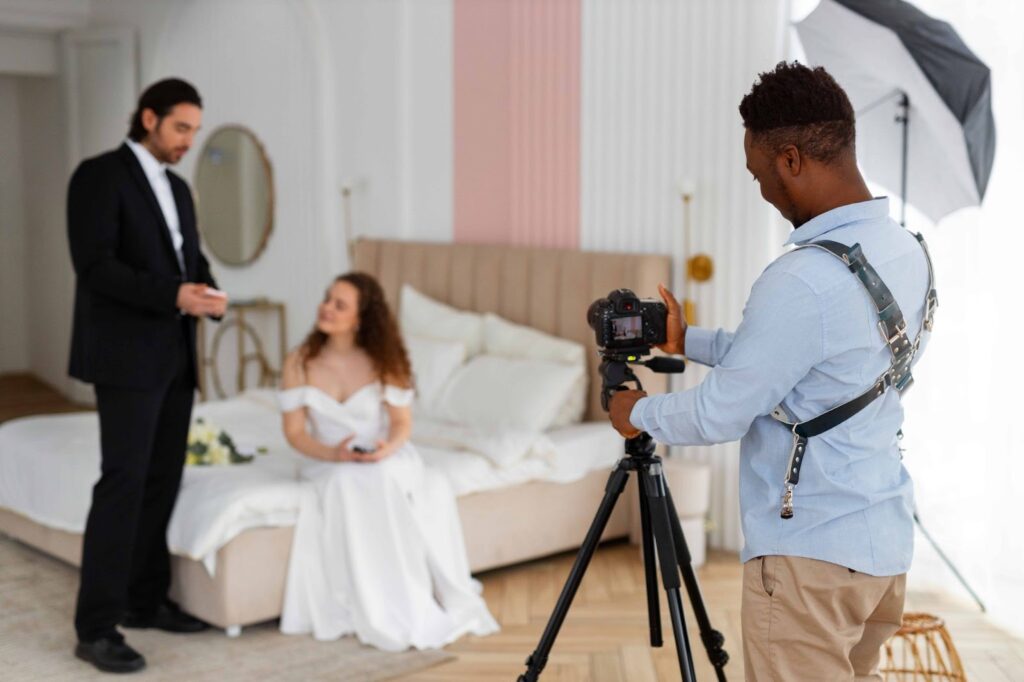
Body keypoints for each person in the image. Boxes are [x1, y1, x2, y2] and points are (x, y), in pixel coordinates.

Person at [608, 62, 934, 680]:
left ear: (790, 160)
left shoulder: (801, 279)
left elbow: (719, 412)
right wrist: (689, 341)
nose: (760, 189)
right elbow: (814, 369)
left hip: (807, 559)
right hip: (880, 548)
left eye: (759, 173)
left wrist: (634, 412)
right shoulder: (906, 250)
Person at [67, 78, 228, 674]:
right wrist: (175, 295)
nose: (189, 140)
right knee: (123, 484)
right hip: (125, 358)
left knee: (162, 482)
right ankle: (96, 627)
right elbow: (95, 268)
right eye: (181, 127)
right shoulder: (98, 176)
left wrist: (210, 293)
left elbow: (191, 259)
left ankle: (144, 600)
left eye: (195, 130)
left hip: (175, 358)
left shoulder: (180, 190)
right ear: (149, 118)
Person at [277, 273, 499, 650]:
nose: (325, 308)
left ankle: (405, 599)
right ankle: (371, 604)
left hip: (386, 453)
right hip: (327, 459)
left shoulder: (385, 360)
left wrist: (384, 450)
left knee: (379, 477)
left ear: (361, 318)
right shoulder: (299, 362)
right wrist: (335, 454)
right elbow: (296, 434)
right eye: (327, 299)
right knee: (345, 482)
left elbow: (401, 424)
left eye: (339, 304)